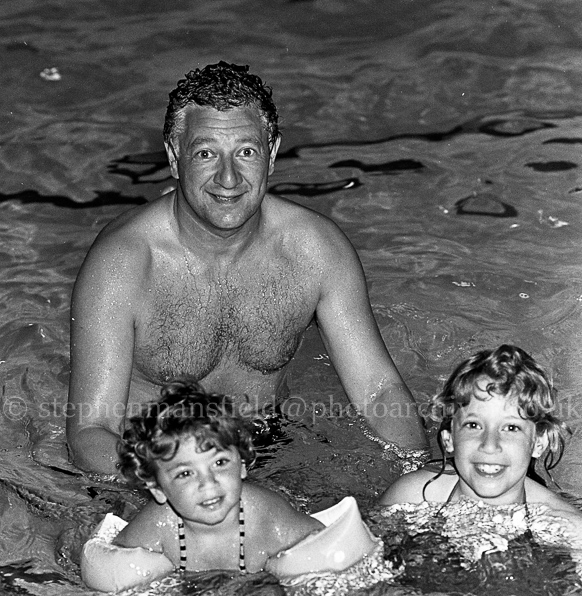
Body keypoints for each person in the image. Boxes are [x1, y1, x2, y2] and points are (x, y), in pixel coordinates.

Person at [66, 60, 428, 476]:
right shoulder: (124, 262)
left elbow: (379, 393)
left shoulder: (315, 249)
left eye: (246, 152)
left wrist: (419, 478)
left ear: (271, 155)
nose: (228, 178)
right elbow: (90, 432)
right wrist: (183, 485)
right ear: (174, 157)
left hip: (267, 445)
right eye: (206, 153)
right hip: (153, 465)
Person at [80, 381, 381, 593]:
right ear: (158, 489)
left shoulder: (267, 516)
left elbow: (322, 544)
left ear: (243, 465)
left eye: (220, 463)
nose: (208, 482)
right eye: (185, 473)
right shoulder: (158, 525)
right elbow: (113, 561)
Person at [378, 345, 582, 528]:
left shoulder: (567, 529)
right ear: (449, 439)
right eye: (473, 425)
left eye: (511, 428)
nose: (489, 445)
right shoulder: (410, 499)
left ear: (538, 443)